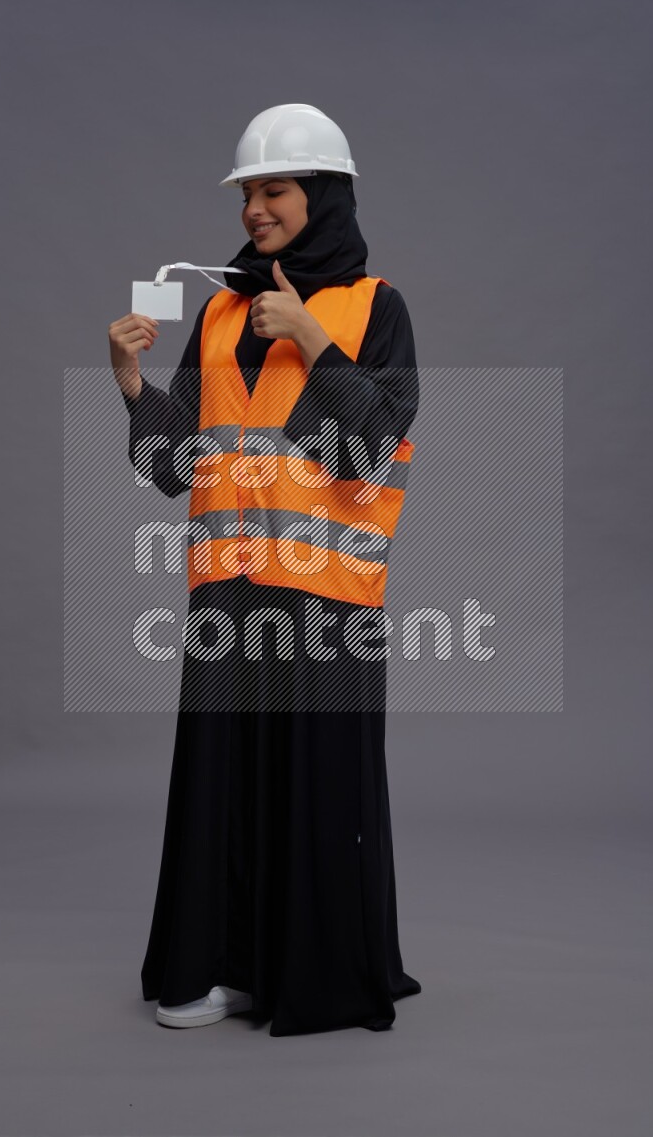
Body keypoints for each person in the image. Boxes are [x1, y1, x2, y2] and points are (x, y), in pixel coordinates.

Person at [108, 104, 422, 1036]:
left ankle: (312, 978)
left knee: (315, 788)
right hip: (227, 597)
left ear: (322, 197)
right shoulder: (217, 311)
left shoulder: (375, 308)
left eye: (274, 190)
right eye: (248, 192)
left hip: (327, 599)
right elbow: (172, 470)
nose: (255, 209)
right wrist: (130, 384)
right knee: (222, 784)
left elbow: (372, 445)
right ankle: (220, 968)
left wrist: (313, 340)